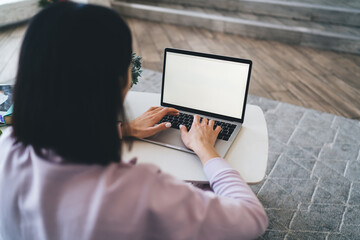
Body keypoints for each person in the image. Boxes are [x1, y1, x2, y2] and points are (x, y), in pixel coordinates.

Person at [0, 2, 268, 240]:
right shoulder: (140, 191)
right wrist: (207, 152)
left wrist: (123, 129)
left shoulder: (8, 147)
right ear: (120, 83)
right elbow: (251, 218)